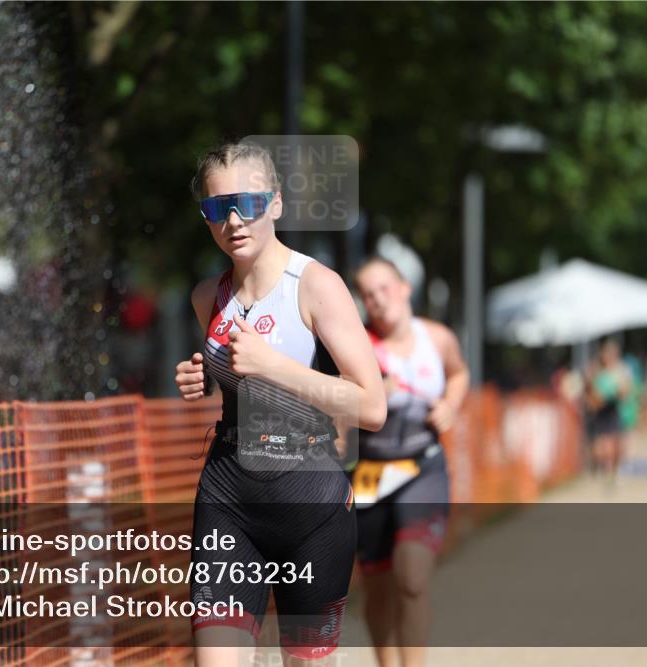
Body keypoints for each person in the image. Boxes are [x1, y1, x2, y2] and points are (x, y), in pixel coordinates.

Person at [174, 142, 387, 666]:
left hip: (310, 504)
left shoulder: (316, 285)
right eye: (217, 208)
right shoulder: (207, 296)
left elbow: (372, 406)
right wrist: (203, 379)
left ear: (275, 203)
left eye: (247, 204)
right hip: (228, 498)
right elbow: (237, 382)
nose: (233, 221)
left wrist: (273, 366)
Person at [350, 257, 469, 667]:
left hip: (422, 467)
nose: (378, 300)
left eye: (385, 288)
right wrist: (369, 396)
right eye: (368, 294)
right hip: (369, 475)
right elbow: (333, 404)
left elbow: (459, 373)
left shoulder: (437, 338)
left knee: (413, 577)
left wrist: (450, 404)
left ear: (405, 288)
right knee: (379, 588)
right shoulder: (357, 346)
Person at [584, 340, 632, 482]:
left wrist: (615, 394)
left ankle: (613, 469)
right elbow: (590, 392)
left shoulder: (619, 371)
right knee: (602, 444)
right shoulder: (597, 370)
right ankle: (604, 468)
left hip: (614, 410)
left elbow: (625, 391)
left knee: (615, 443)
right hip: (600, 411)